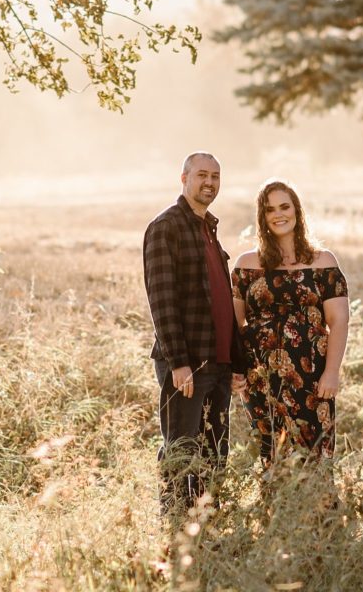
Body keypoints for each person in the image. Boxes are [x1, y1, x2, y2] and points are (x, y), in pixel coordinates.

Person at [143, 152, 246, 512]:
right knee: (181, 447)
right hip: (188, 363)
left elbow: (222, 303)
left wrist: (236, 363)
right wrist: (178, 362)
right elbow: (162, 300)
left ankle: (205, 517)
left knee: (216, 448)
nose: (210, 182)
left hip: (217, 362)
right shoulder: (166, 227)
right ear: (183, 177)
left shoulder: (208, 229)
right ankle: (174, 520)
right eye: (202, 174)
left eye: (216, 176)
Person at [231, 179, 349, 463]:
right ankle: (274, 508)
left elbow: (340, 320)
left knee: (315, 454)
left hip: (312, 378)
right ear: (262, 218)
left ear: (297, 211)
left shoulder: (323, 262)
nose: (278, 214)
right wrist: (235, 371)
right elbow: (233, 326)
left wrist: (331, 372)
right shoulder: (246, 265)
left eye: (285, 206)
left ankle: (320, 508)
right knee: (271, 454)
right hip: (260, 378)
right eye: (270, 209)